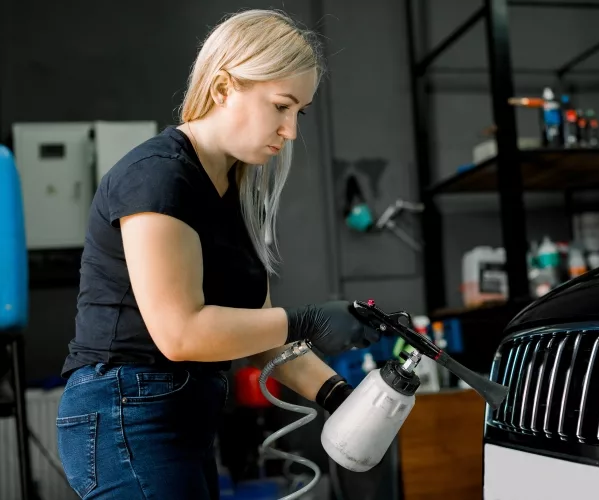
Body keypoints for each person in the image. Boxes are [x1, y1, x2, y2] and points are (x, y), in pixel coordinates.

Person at [55, 9, 381, 500]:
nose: (291, 131)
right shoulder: (160, 177)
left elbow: (263, 334)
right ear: (225, 87)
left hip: (179, 417)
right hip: (126, 415)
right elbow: (181, 333)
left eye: (301, 112)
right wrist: (308, 319)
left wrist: (342, 396)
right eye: (280, 106)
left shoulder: (237, 189)